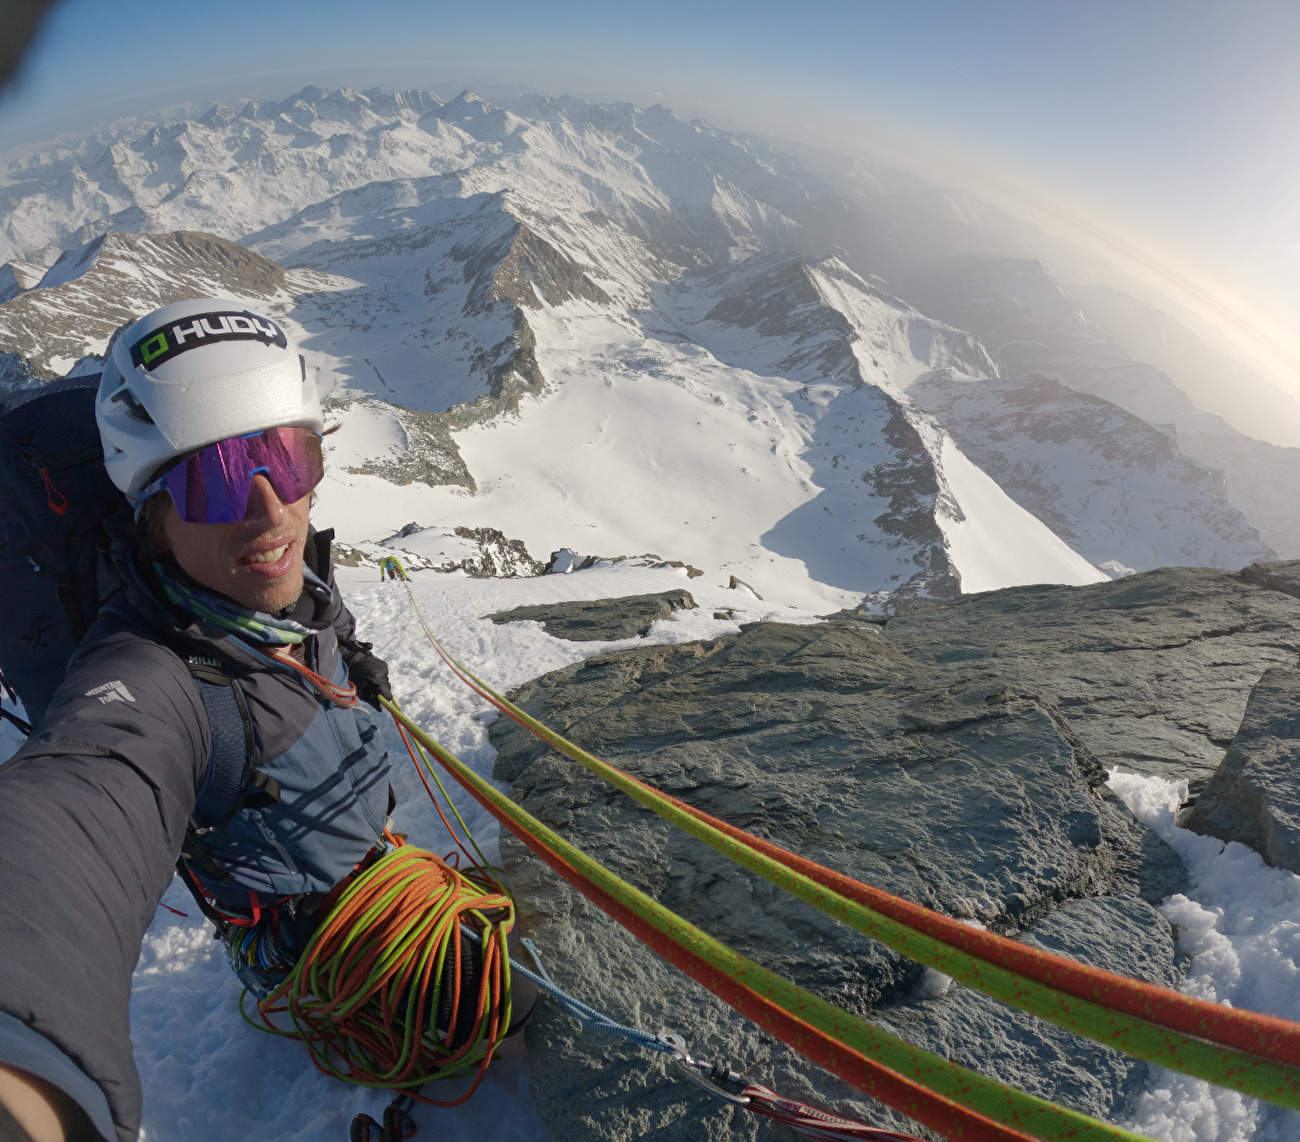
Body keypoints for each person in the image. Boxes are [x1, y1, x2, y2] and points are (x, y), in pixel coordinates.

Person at [0, 299, 408, 1142]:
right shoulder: (148, 678)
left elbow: (314, 623)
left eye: (287, 459)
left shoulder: (285, 585)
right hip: (302, 943)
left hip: (358, 865)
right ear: (152, 513)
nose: (269, 512)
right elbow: (78, 803)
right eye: (214, 478)